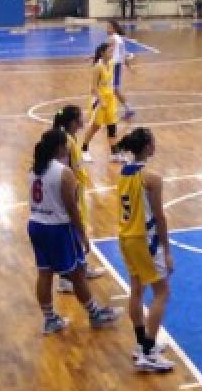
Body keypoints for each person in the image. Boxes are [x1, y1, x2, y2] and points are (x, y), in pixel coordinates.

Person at [27, 129, 121, 335]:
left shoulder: (33, 169)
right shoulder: (63, 172)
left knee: (45, 273)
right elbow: (72, 208)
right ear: (61, 147)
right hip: (57, 229)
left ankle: (50, 319)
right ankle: (95, 314)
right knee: (77, 273)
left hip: (35, 225)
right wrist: (82, 234)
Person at [116, 127, 175, 372]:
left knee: (137, 290)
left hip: (126, 237)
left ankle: (142, 344)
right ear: (148, 147)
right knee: (162, 292)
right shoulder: (151, 179)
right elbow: (159, 217)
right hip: (145, 239)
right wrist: (167, 251)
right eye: (153, 141)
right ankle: (149, 352)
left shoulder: (124, 172)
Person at [52, 105, 106, 293]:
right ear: (72, 122)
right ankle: (65, 278)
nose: (84, 120)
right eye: (80, 117)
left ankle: (80, 268)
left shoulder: (71, 138)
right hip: (69, 191)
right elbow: (62, 169)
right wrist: (70, 192)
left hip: (77, 189)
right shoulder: (65, 141)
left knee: (75, 231)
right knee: (70, 232)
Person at [81, 43, 123, 164]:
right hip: (99, 99)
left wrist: (127, 56)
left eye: (111, 51)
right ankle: (84, 150)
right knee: (96, 126)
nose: (111, 53)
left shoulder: (110, 63)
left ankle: (114, 154)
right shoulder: (98, 67)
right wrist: (101, 100)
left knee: (112, 125)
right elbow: (93, 88)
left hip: (110, 97)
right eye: (109, 51)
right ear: (102, 53)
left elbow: (120, 56)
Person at [106, 20, 136, 121]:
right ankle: (128, 109)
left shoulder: (113, 39)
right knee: (113, 89)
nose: (106, 29)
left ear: (114, 28)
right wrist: (128, 66)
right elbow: (123, 54)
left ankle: (127, 109)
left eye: (108, 27)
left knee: (112, 89)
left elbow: (107, 53)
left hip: (113, 66)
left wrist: (97, 59)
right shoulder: (119, 39)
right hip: (116, 65)